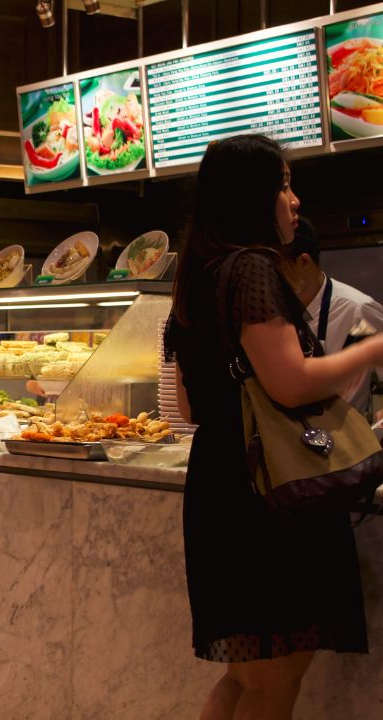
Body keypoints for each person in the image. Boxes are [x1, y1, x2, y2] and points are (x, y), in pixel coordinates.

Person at [165, 135, 383, 720]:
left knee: (248, 679)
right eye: (284, 184)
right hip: (266, 496)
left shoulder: (197, 274)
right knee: (274, 684)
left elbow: (188, 406)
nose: (295, 200)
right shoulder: (253, 268)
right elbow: (290, 382)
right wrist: (372, 350)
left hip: (222, 484)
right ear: (252, 195)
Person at [283, 217, 383, 413]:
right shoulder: (277, 311)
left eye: (278, 269)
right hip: (291, 435)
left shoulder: (357, 310)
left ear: (304, 262)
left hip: (344, 437)